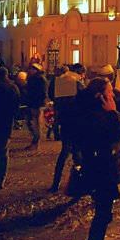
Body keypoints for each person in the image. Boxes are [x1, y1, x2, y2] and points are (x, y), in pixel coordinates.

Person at [74, 78, 120, 240]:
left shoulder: (85, 112)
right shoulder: (99, 116)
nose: (113, 95)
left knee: (102, 216)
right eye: (110, 92)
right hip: (102, 170)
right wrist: (114, 113)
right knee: (101, 218)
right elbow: (113, 136)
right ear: (100, 96)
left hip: (93, 167)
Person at [49, 64, 84, 193]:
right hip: (77, 123)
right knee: (77, 153)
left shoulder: (58, 84)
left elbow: (53, 97)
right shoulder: (76, 84)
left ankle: (56, 182)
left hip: (64, 122)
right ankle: (81, 180)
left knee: (65, 153)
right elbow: (85, 99)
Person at [24, 64, 48, 150]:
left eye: (31, 69)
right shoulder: (32, 78)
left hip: (36, 104)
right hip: (31, 103)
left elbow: (43, 92)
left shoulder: (40, 79)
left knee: (35, 124)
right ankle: (35, 141)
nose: (29, 70)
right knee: (30, 123)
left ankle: (35, 142)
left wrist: (41, 102)